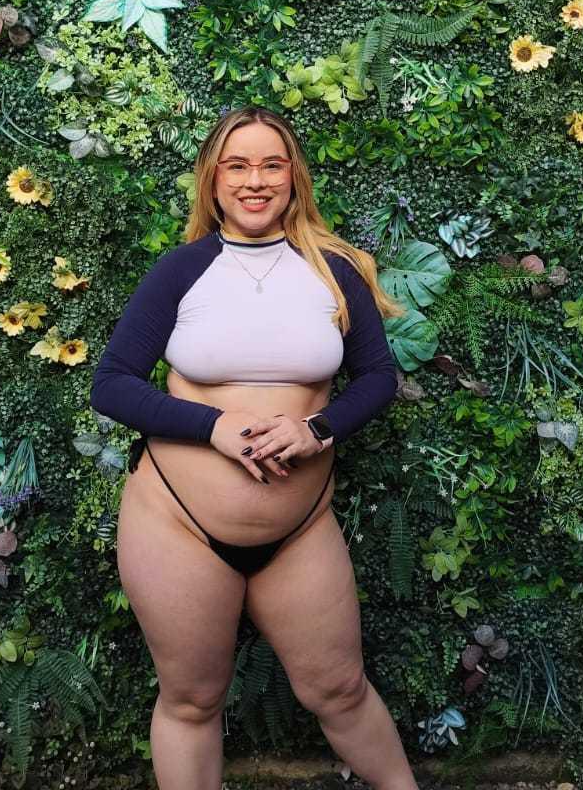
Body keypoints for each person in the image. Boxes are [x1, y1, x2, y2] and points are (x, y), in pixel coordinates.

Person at [91, 105, 420, 790]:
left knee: (340, 689)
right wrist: (211, 427)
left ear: (293, 177)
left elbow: (377, 378)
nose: (255, 180)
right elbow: (113, 384)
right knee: (191, 701)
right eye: (237, 166)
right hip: (176, 526)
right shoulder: (181, 270)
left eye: (272, 165)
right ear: (213, 179)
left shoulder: (333, 271)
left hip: (299, 533)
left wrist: (316, 429)